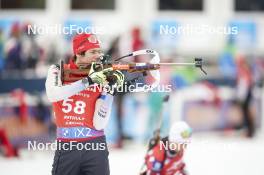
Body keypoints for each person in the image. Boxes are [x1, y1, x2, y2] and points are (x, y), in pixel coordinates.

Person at [45, 33, 124, 175]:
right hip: (67, 146)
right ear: (78, 53)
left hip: (96, 145)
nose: (98, 55)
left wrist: (110, 92)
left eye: (100, 51)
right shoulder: (58, 70)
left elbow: (99, 124)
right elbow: (53, 94)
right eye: (93, 52)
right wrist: (88, 81)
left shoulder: (103, 75)